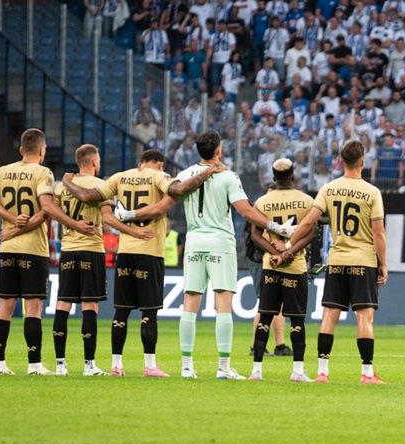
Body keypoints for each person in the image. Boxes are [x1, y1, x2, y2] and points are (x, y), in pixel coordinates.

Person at [0, 128, 97, 374]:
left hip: (8, 248)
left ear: (21, 150)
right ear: (42, 150)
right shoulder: (42, 172)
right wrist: (74, 223)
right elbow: (46, 207)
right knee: (33, 307)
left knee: (5, 307)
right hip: (33, 250)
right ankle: (34, 364)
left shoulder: (2, 171)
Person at [165, 130, 287, 379]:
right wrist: (274, 226)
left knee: (189, 304)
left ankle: (187, 367)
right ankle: (223, 367)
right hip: (220, 243)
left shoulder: (185, 174)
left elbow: (173, 193)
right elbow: (245, 211)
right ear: (218, 150)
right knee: (223, 305)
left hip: (194, 242)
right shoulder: (228, 176)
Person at [62, 149, 176, 376]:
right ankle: (150, 366)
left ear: (140, 162)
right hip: (150, 252)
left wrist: (67, 180)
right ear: (160, 165)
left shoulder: (118, 177)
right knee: (149, 311)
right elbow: (166, 203)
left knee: (121, 311)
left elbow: (94, 202)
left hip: (125, 252)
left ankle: (116, 365)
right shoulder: (159, 177)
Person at [288, 139, 387, 384]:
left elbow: (310, 221)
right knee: (364, 317)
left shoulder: (328, 188)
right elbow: (378, 233)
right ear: (362, 162)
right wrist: (383, 264)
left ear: (341, 161)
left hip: (337, 260)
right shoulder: (372, 192)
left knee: (329, 314)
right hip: (363, 260)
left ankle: (322, 371)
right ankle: (366, 374)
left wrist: (289, 243)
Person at [248, 158, 315, 381]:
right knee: (296, 320)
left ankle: (256, 371)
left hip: (271, 267)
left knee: (265, 316)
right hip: (295, 267)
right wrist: (289, 252)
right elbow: (312, 232)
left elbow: (256, 235)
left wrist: (275, 253)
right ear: (293, 176)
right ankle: (297, 371)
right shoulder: (306, 201)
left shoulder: (262, 202)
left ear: (274, 178)